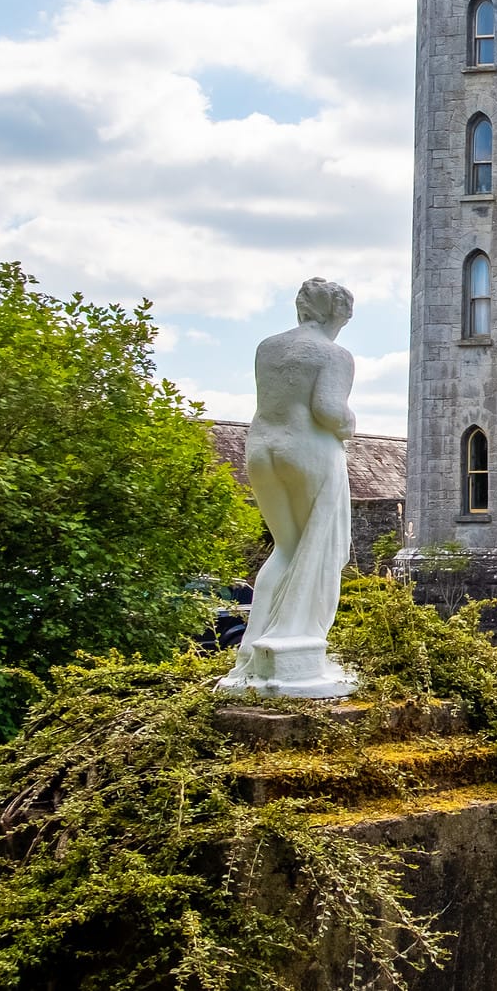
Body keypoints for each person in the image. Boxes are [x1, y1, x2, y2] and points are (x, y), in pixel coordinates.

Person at [218, 277, 358, 698]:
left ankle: (252, 651)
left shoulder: (268, 347)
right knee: (322, 547)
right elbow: (328, 410)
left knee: (285, 548)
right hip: (307, 450)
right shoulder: (334, 354)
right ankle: (296, 648)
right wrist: (349, 423)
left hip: (262, 448)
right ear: (335, 315)